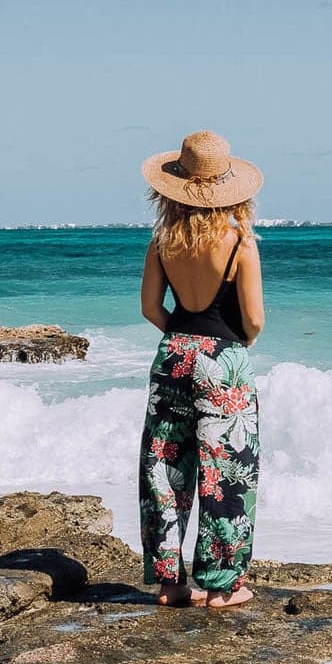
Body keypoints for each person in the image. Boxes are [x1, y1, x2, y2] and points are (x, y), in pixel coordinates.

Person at [137, 130, 265, 609]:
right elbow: (253, 319)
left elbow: (151, 307)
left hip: (173, 354)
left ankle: (171, 584)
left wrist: (183, 339)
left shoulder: (162, 241)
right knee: (226, 469)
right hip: (224, 360)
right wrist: (229, 346)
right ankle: (222, 585)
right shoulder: (240, 243)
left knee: (164, 465)